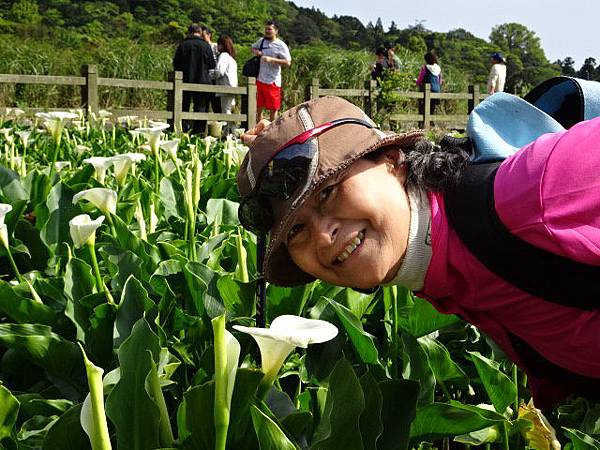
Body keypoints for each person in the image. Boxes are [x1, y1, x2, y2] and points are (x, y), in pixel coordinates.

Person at [237, 95, 600, 409]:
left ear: (392, 160)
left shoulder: (534, 190)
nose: (322, 234)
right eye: (296, 229)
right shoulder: (451, 277)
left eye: (328, 191)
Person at [173, 23, 216, 134]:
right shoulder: (206, 46)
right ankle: (199, 132)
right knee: (201, 107)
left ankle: (182, 129)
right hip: (203, 82)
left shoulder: (183, 45)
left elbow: (176, 64)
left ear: (188, 32)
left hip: (185, 81)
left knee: (183, 106)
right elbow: (212, 64)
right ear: (200, 32)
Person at [251, 20, 292, 123]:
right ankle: (257, 131)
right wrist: (257, 52)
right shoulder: (261, 41)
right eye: (266, 29)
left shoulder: (281, 45)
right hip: (260, 79)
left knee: (273, 109)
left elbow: (288, 62)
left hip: (273, 81)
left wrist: (271, 60)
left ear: (276, 31)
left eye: (270, 29)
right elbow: (252, 48)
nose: (267, 31)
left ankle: (271, 132)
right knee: (258, 107)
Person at [210, 36, 238, 133]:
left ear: (222, 45)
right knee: (230, 110)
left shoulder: (224, 55)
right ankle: (231, 131)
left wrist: (209, 74)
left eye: (219, 44)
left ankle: (228, 133)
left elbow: (219, 72)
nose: (217, 47)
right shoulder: (231, 58)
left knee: (226, 111)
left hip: (225, 88)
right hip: (232, 87)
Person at [201, 25, 221, 114]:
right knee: (203, 103)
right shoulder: (200, 47)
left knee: (216, 102)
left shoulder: (215, 46)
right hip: (204, 78)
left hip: (215, 78)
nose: (201, 37)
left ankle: (219, 124)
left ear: (209, 35)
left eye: (203, 35)